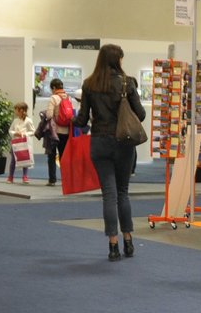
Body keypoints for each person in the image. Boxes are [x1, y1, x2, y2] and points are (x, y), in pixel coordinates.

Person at [73, 44, 146, 262]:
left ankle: (112, 245)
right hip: (123, 143)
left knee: (109, 195)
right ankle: (128, 240)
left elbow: (82, 120)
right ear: (117, 60)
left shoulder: (89, 84)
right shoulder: (127, 82)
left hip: (99, 143)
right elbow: (140, 114)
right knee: (123, 192)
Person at [45, 78, 74, 173]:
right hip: (66, 131)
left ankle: (52, 180)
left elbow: (49, 115)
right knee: (64, 155)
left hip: (54, 132)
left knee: (52, 155)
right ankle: (65, 179)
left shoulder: (53, 98)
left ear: (53, 88)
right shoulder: (68, 97)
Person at [9, 101, 37, 184]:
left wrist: (24, 134)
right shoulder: (15, 120)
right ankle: (11, 177)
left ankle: (25, 176)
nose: (15, 111)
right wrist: (14, 133)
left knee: (25, 159)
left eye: (16, 110)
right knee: (13, 160)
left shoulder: (28, 120)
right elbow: (10, 130)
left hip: (24, 143)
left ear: (21, 110)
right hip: (15, 143)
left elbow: (33, 131)